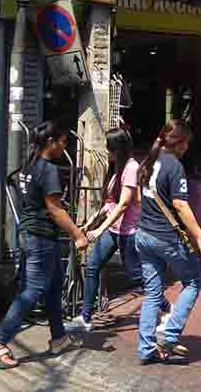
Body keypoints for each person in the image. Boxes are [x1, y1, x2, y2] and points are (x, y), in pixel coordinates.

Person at [0, 120, 87, 369]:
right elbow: (56, 209)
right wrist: (77, 234)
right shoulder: (48, 169)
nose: (64, 147)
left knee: (52, 285)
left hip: (32, 233)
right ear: (50, 142)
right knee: (32, 291)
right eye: (62, 142)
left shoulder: (31, 163)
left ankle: (58, 338)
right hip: (40, 236)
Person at [66, 128, 169, 334]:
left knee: (137, 277)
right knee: (93, 265)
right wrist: (92, 223)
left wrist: (98, 230)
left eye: (109, 148)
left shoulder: (131, 168)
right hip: (113, 231)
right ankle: (85, 317)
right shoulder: (118, 169)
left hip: (129, 233)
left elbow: (123, 205)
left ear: (118, 149)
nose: (107, 151)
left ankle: (167, 308)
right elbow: (110, 204)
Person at [135, 119, 201, 364]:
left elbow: (140, 200)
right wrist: (200, 236)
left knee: (152, 293)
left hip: (144, 234)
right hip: (166, 237)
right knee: (193, 281)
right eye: (187, 143)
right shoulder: (174, 167)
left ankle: (146, 348)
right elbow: (181, 205)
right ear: (179, 143)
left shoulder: (149, 161)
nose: (187, 147)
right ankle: (169, 334)